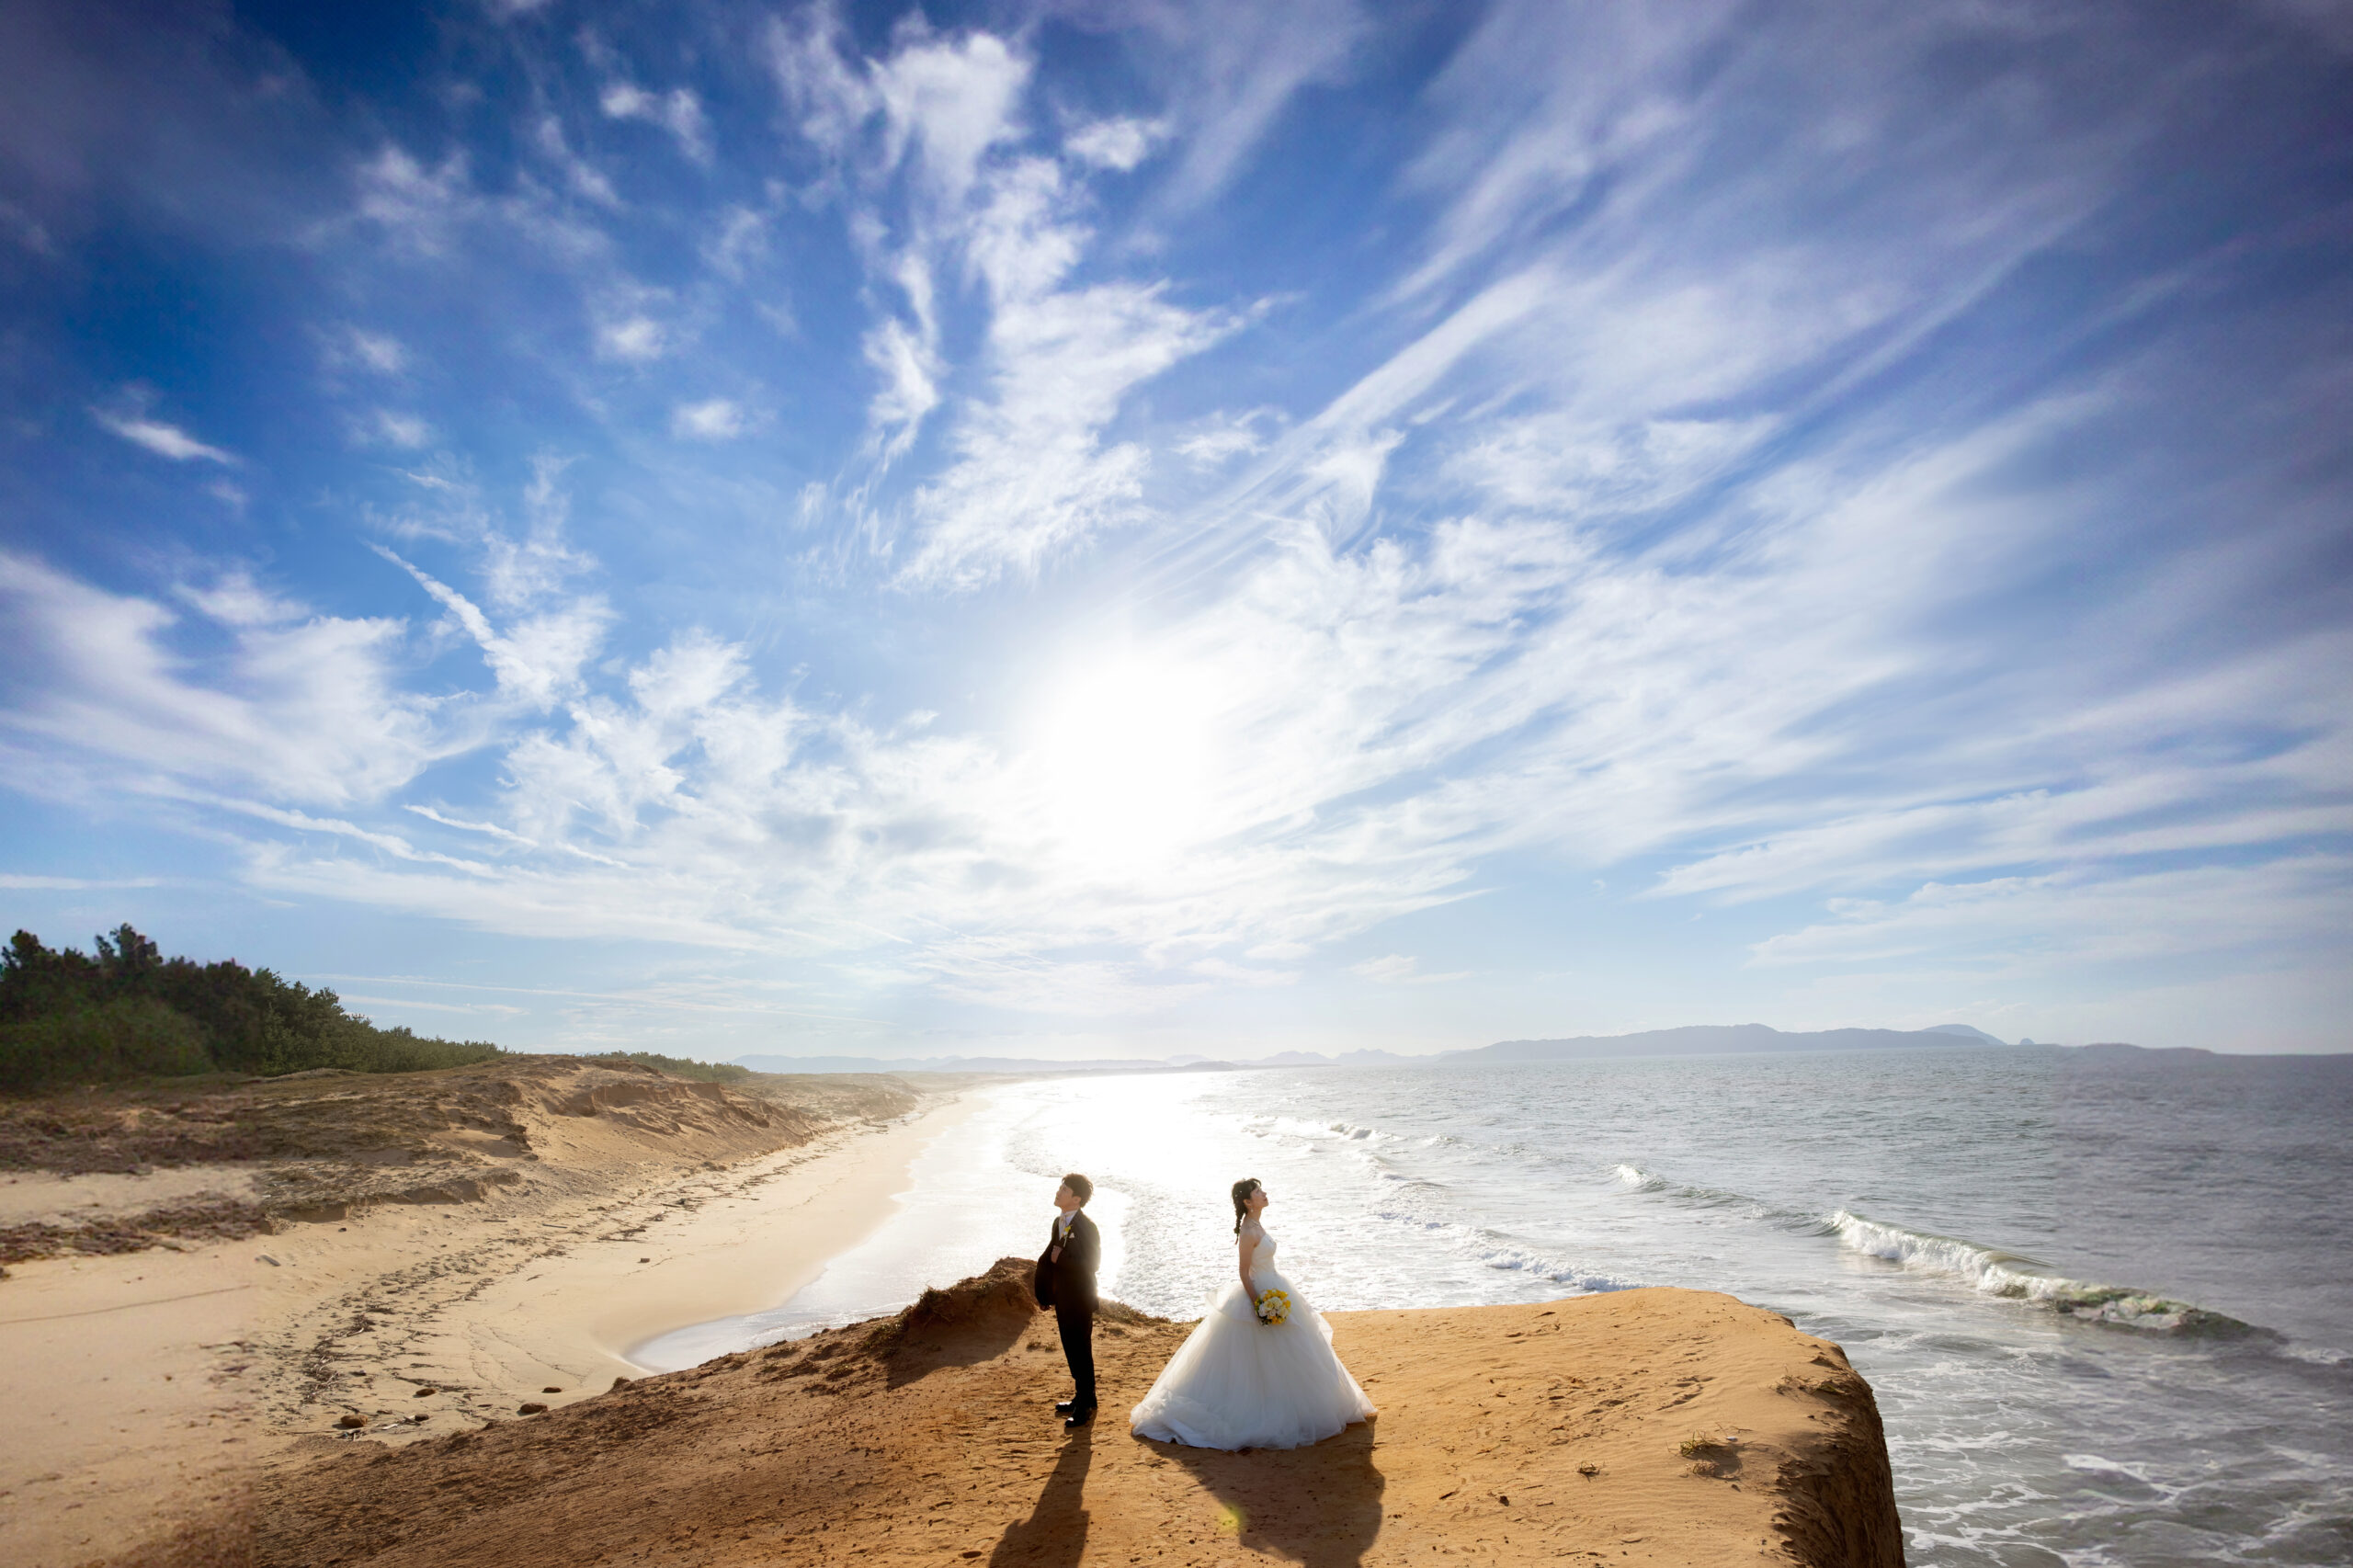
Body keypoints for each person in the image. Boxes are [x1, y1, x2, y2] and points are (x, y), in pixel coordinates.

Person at [1128, 1177, 1376, 1450]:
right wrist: (1260, 1305)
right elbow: (1244, 1272)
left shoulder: (1257, 1224)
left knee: (1290, 1351)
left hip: (1276, 1288)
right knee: (1258, 1358)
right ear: (1248, 1201)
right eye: (1258, 1192)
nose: (1264, 1193)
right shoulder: (1248, 1231)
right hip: (1261, 1293)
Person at [1033, 1173, 1100, 1430]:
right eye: (1059, 1187)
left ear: (1076, 1199)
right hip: (1063, 1298)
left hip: (1080, 1299)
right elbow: (1049, 1256)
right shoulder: (1058, 1222)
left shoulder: (1087, 1227)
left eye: (1064, 1189)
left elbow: (1093, 1264)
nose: (1058, 1192)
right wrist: (1045, 1294)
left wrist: (1060, 1260)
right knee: (1070, 1349)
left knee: (1081, 1351)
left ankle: (1086, 1405)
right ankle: (1083, 1396)